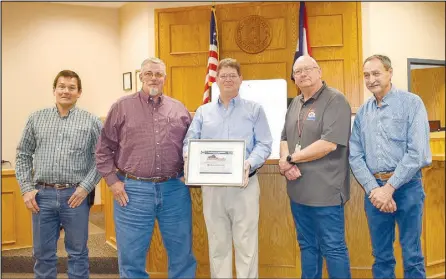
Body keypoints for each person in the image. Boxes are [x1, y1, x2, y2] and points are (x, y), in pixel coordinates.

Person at [95, 57, 196, 278]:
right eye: (149, 73)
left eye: (158, 74)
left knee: (182, 254)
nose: (153, 78)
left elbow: (192, 147)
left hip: (174, 190)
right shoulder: (121, 107)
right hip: (132, 191)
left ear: (165, 79)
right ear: (140, 76)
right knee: (131, 257)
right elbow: (103, 151)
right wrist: (113, 182)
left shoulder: (179, 109)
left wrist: (191, 172)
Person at [183, 58, 272, 278]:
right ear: (216, 80)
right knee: (217, 243)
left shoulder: (255, 110)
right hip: (212, 188)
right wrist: (190, 158)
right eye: (224, 75)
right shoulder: (203, 112)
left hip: (245, 185)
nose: (228, 79)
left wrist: (249, 162)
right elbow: (189, 143)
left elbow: (264, 143)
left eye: (233, 75)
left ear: (241, 79)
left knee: (246, 243)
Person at [349, 54, 431, 279]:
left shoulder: (412, 103)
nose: (371, 79)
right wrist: (374, 189)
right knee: (381, 256)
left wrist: (390, 188)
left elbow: (418, 153)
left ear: (390, 72)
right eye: (366, 75)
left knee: (412, 255)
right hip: (374, 190)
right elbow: (355, 155)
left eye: (376, 73)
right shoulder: (363, 112)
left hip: (407, 187)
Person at [15, 70, 102, 279]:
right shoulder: (36, 118)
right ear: (54, 90)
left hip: (75, 197)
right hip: (41, 197)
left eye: (72, 88)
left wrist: (85, 188)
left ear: (79, 92)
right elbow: (23, 154)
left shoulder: (91, 121)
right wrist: (26, 190)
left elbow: (102, 158)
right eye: (62, 86)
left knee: (78, 253)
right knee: (43, 254)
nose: (66, 91)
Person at [279, 55, 352, 278]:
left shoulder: (335, 100)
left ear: (319, 71)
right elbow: (284, 138)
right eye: (298, 71)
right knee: (307, 246)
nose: (303, 74)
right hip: (299, 192)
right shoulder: (295, 103)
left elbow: (328, 144)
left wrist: (292, 159)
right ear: (294, 78)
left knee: (333, 247)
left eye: (308, 69)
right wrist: (285, 162)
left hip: (326, 192)